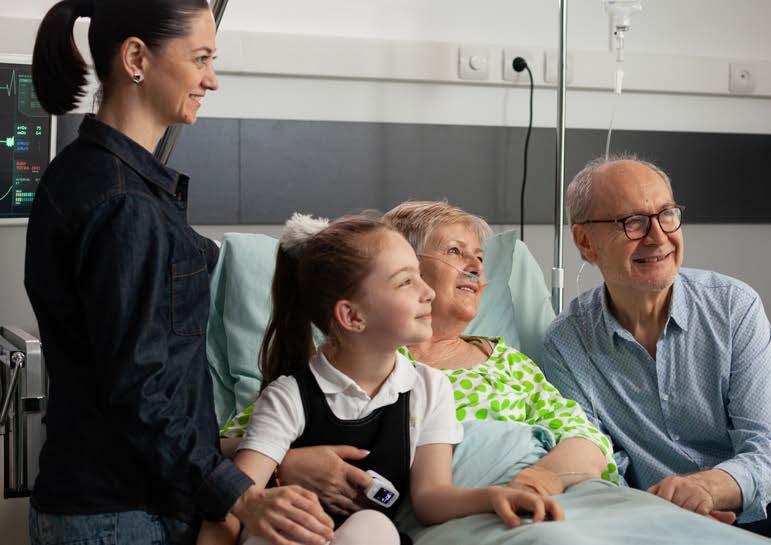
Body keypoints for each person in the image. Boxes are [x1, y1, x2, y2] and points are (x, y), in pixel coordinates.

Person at [25, 1, 333, 544]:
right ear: (136, 58)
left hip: (93, 500)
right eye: (200, 58)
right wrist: (242, 498)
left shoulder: (78, 172)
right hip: (123, 515)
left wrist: (248, 458)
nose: (211, 80)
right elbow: (141, 390)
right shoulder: (126, 205)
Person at [220, 201, 617, 507]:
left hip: (533, 504)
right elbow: (230, 446)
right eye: (456, 251)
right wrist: (287, 462)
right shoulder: (361, 364)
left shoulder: (510, 364)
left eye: (480, 257)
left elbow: (585, 439)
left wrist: (538, 480)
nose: (476, 268)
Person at [539, 155, 771, 545]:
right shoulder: (567, 344)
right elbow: (600, 464)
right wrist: (670, 513)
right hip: (657, 521)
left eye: (666, 214)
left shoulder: (733, 306)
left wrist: (709, 488)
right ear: (586, 242)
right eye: (633, 222)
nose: (658, 237)